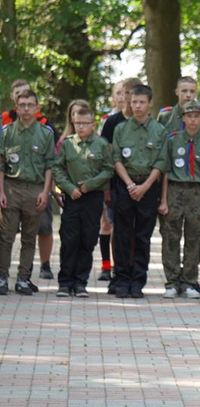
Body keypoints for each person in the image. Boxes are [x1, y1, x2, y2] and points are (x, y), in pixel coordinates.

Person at [111, 84, 167, 298]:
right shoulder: (121, 129)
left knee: (143, 235)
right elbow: (116, 158)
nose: (137, 106)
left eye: (142, 102)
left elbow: (161, 162)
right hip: (126, 185)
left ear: (150, 104)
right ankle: (122, 278)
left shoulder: (159, 131)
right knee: (123, 234)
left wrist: (144, 187)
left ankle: (138, 280)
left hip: (148, 187)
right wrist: (129, 184)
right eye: (134, 101)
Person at [2, 79, 59, 281]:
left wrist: (46, 192)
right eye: (22, 105)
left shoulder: (45, 134)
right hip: (11, 187)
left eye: (30, 105)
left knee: (29, 237)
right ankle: (2, 276)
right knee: (6, 236)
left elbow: (50, 165)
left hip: (35, 189)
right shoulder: (6, 133)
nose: (26, 109)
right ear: (16, 107)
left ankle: (24, 278)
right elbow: (1, 164)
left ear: (37, 108)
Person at [52, 106, 113, 297]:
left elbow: (108, 170)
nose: (80, 127)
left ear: (92, 124)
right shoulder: (68, 144)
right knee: (70, 239)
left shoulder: (102, 144)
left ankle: (80, 282)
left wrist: (91, 184)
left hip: (92, 197)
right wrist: (69, 188)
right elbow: (57, 169)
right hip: (73, 198)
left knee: (88, 239)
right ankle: (65, 282)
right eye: (77, 123)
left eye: (85, 123)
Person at [157, 101, 200, 299]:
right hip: (174, 190)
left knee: (194, 237)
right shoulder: (172, 140)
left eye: (197, 116)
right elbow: (165, 171)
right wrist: (163, 200)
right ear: (183, 118)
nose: (193, 120)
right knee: (171, 236)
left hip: (197, 193)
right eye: (189, 116)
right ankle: (172, 281)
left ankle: (189, 280)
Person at [99, 77, 142, 286]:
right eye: (125, 93)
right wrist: (106, 188)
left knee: (138, 232)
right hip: (117, 185)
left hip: (143, 186)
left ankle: (134, 272)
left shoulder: (147, 123)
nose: (128, 98)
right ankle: (118, 271)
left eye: (133, 94)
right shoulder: (112, 123)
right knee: (118, 229)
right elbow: (106, 158)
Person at [98, 80, 126, 281]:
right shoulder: (107, 121)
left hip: (128, 184)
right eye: (118, 93)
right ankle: (106, 265)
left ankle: (119, 266)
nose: (122, 97)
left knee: (120, 227)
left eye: (126, 93)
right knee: (106, 224)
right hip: (109, 180)